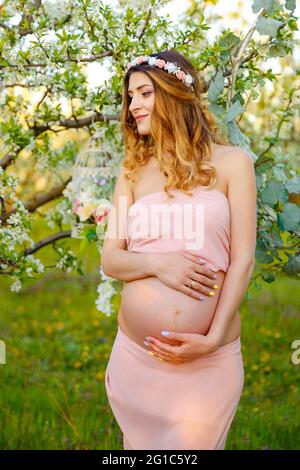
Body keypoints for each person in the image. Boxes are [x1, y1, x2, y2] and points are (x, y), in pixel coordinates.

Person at [101, 49, 257, 450]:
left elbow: (242, 260)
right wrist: (159, 263)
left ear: (174, 93)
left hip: (208, 361)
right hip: (137, 359)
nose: (133, 105)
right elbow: (111, 258)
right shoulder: (131, 171)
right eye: (130, 97)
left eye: (144, 93)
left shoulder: (234, 164)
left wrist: (214, 336)